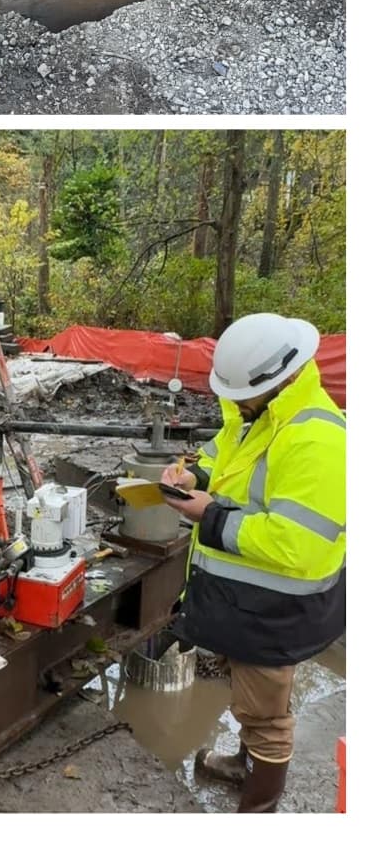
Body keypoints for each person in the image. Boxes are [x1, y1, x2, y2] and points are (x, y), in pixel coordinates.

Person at [160, 313, 345, 813]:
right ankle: (245, 764)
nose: (237, 404)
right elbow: (226, 458)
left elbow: (296, 544)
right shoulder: (264, 416)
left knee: (266, 718)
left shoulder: (318, 440)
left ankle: (258, 808)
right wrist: (194, 476)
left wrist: (209, 516)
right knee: (253, 698)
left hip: (277, 611)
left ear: (281, 378)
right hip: (247, 603)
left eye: (244, 395)